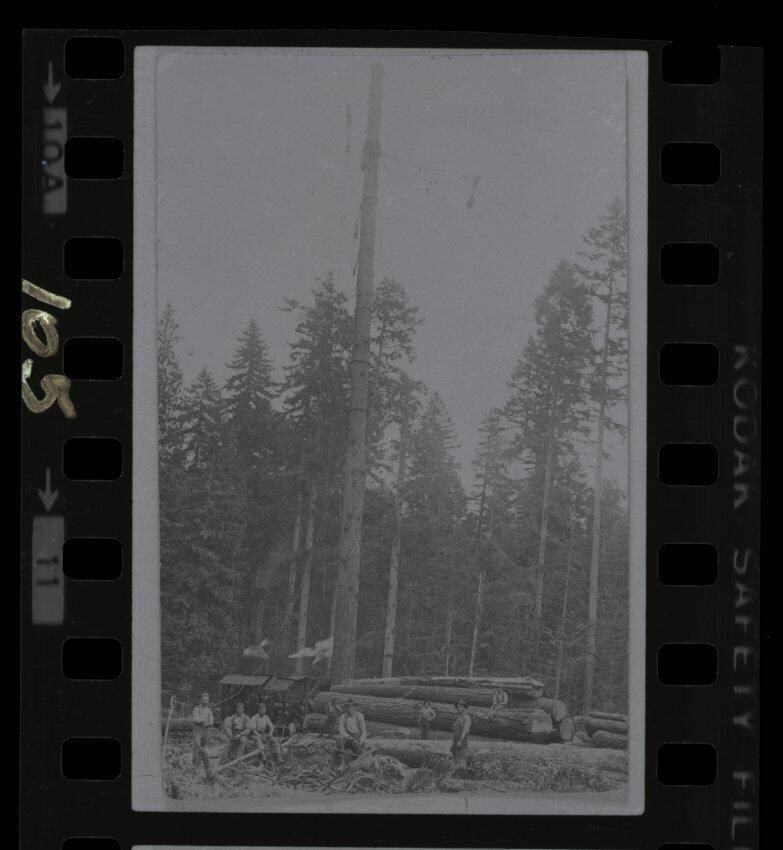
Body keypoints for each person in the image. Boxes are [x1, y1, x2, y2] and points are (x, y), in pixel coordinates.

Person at [191, 692, 214, 769]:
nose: (205, 701)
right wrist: (205, 720)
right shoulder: (196, 709)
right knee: (197, 746)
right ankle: (195, 764)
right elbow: (196, 719)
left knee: (203, 747)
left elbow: (212, 722)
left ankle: (202, 764)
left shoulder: (209, 710)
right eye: (204, 700)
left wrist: (206, 722)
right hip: (198, 730)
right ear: (201, 700)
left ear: (208, 700)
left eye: (206, 700)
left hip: (205, 730)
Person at [451, 700, 471, 766]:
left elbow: (465, 731)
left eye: (460, 707)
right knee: (455, 758)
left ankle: (462, 770)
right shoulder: (459, 718)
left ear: (464, 708)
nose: (458, 708)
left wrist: (460, 741)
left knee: (461, 758)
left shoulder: (467, 718)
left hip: (462, 741)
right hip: (456, 740)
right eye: (457, 707)